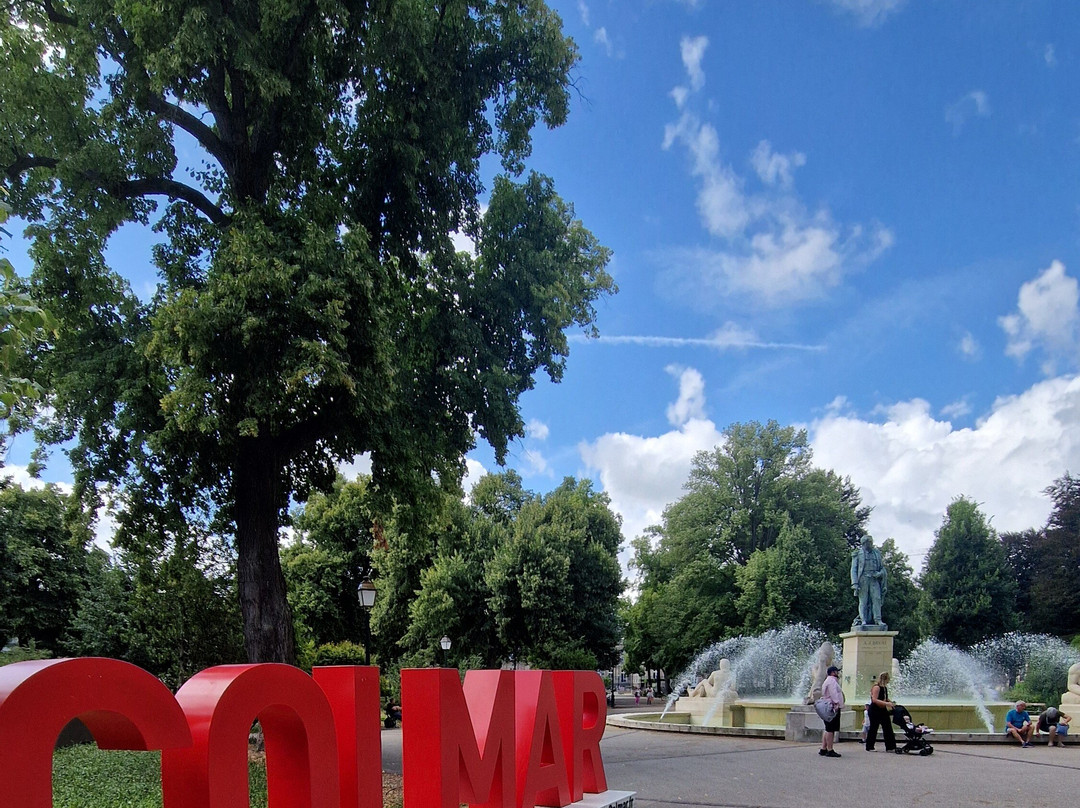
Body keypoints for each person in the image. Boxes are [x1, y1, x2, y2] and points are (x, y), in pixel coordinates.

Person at [851, 535, 887, 627]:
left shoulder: (877, 553)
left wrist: (879, 574)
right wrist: (855, 583)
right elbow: (854, 569)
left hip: (874, 579)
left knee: (877, 599)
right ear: (864, 544)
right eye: (869, 543)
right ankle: (863, 620)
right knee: (863, 601)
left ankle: (878, 620)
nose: (871, 544)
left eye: (871, 542)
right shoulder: (858, 554)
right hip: (863, 579)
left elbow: (882, 568)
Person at [864, 671, 899, 753]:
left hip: (882, 710)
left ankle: (890, 746)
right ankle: (869, 746)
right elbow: (874, 700)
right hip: (875, 710)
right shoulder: (877, 687)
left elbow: (885, 698)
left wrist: (891, 702)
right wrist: (886, 703)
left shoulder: (884, 688)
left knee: (887, 727)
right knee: (873, 728)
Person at [818, 665, 845, 758]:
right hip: (832, 707)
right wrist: (837, 703)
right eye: (837, 671)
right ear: (833, 672)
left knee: (828, 728)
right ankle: (830, 749)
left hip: (829, 706)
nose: (838, 673)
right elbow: (834, 693)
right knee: (831, 729)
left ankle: (823, 748)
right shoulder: (832, 681)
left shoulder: (829, 680)